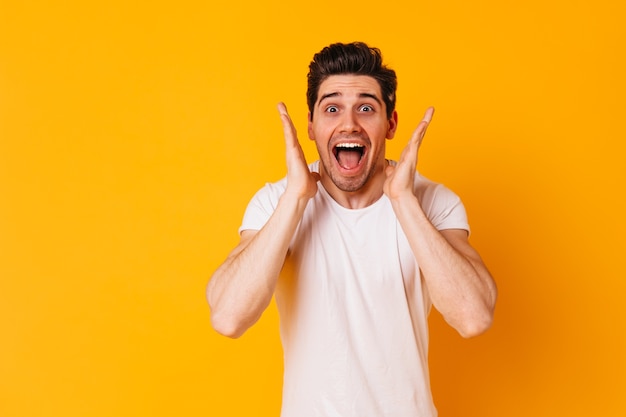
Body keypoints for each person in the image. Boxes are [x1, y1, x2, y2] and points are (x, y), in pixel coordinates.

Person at [207, 41, 497, 417]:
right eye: (332, 108)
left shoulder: (431, 202)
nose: (349, 124)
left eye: (366, 108)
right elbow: (228, 317)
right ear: (311, 126)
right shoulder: (276, 202)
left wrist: (404, 201)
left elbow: (473, 316)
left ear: (390, 124)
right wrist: (295, 198)